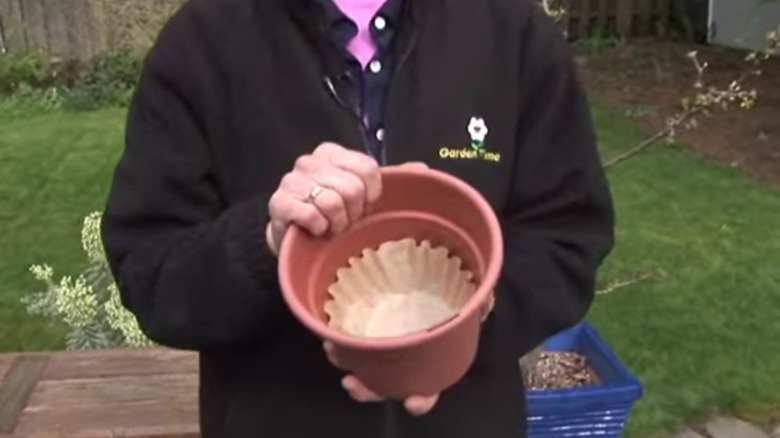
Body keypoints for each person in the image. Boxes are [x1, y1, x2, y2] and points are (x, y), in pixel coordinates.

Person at [100, 0, 615, 436]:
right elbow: (150, 270)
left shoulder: (511, 32)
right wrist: (266, 242)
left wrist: (476, 321)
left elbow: (567, 235)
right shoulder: (201, 45)